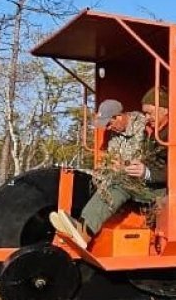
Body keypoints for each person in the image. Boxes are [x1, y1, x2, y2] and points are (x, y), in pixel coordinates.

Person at [50, 87, 169, 248]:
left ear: (164, 109)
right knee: (107, 180)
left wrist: (145, 172)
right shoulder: (155, 132)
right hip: (148, 182)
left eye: (149, 113)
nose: (147, 118)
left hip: (164, 190)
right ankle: (81, 227)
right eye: (145, 114)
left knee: (119, 184)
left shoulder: (161, 132)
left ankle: (84, 230)